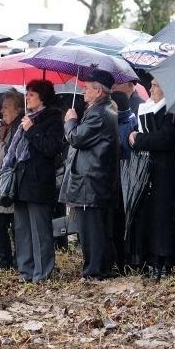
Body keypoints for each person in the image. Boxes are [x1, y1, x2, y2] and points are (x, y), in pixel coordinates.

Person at [61, 70, 119, 280]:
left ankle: (95, 272)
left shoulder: (98, 113)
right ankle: (99, 270)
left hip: (91, 182)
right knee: (96, 230)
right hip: (95, 181)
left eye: (87, 87)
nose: (83, 90)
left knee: (91, 231)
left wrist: (70, 121)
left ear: (99, 91)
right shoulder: (104, 109)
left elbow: (77, 138)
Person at [128, 76, 175, 280]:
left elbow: (166, 138)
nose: (150, 89)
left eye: (155, 86)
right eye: (150, 85)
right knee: (150, 217)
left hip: (167, 171)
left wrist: (139, 139)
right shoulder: (148, 107)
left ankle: (166, 262)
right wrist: (135, 136)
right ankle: (152, 260)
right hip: (150, 169)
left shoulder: (171, 111)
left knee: (164, 217)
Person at [7, 82, 63, 282]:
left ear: (43, 97)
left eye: (32, 94)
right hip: (21, 181)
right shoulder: (24, 118)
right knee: (21, 230)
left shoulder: (53, 117)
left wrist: (32, 129)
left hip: (39, 182)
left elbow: (51, 147)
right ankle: (25, 271)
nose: (27, 97)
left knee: (40, 231)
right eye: (27, 94)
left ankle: (42, 274)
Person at [0, 90, 24, 271]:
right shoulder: (4, 129)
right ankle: (4, 262)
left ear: (18, 109)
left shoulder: (19, 128)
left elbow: (10, 154)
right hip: (0, 187)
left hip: (12, 186)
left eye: (6, 107)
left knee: (17, 227)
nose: (1, 110)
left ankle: (18, 262)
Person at [109, 91, 137, 274]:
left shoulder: (115, 122)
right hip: (130, 178)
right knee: (127, 223)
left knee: (117, 224)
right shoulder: (134, 121)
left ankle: (120, 262)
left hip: (118, 178)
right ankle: (127, 262)